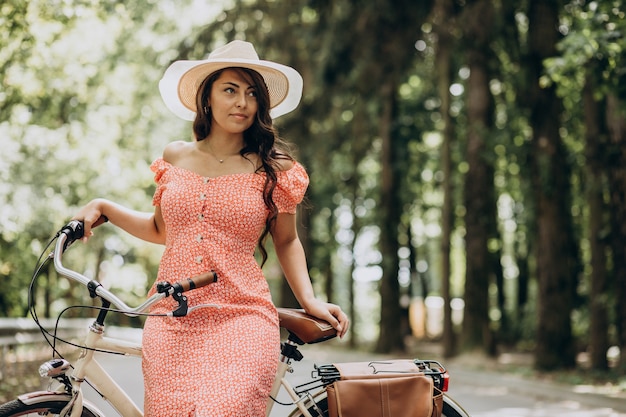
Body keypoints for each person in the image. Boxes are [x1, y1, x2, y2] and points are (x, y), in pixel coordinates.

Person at [73, 40, 349, 417]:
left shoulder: (275, 168)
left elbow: (287, 241)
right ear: (208, 98)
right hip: (171, 316)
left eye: (252, 93)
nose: (242, 102)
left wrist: (310, 301)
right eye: (230, 90)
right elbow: (161, 230)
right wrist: (103, 206)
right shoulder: (176, 156)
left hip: (242, 313)